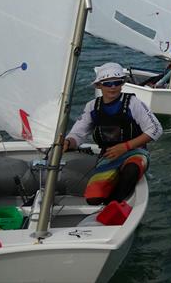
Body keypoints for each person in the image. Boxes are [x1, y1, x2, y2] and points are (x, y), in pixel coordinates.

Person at [63, 63, 163, 205]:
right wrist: (68, 143)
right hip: (108, 156)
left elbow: (156, 129)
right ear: (99, 86)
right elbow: (78, 134)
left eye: (117, 82)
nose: (113, 87)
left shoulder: (133, 103)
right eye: (107, 83)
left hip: (134, 153)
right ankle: (112, 184)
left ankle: (113, 205)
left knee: (131, 170)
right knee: (93, 199)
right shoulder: (92, 106)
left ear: (122, 84)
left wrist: (126, 147)